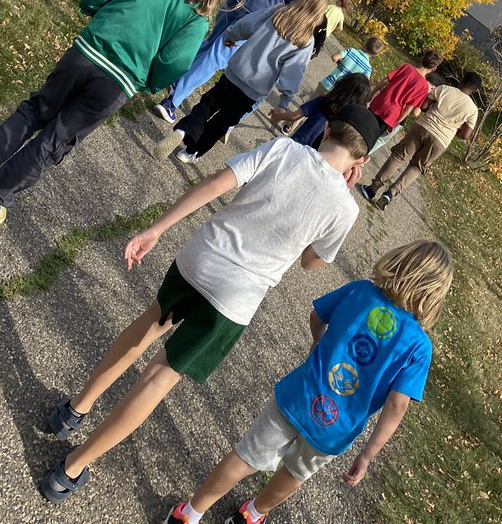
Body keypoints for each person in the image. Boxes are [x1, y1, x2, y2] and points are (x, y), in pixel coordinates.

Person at [37, 105, 383, 505]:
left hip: (201, 256)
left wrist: (156, 229)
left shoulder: (283, 149)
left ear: (325, 132)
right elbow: (311, 261)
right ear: (361, 162)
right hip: (235, 298)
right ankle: (70, 470)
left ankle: (72, 411)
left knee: (148, 322)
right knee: (160, 377)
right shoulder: (346, 208)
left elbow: (216, 185)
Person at [0, 0, 247, 226]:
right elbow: (175, 61)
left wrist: (91, 8)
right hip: (117, 81)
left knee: (35, 109)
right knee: (56, 140)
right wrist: (151, 80)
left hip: (85, 53)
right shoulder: (196, 18)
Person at [164, 239, 451, 524]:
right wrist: (366, 455)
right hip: (334, 429)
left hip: (298, 395)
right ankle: (252, 514)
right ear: (435, 294)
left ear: (399, 260)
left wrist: (317, 344)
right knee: (294, 474)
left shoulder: (361, 291)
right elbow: (397, 405)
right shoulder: (419, 347)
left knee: (247, 456)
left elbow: (317, 316)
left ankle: (190, 514)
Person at [155, 0, 327, 125]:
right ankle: (172, 100)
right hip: (257, 20)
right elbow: (294, 9)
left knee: (212, 43)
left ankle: (176, 75)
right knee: (217, 56)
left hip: (235, 2)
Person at [173, 0, 329, 162]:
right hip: (254, 89)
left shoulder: (278, 12)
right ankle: (191, 152)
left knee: (209, 102)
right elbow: (293, 72)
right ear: (318, 15)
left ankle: (187, 128)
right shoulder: (305, 41)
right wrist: (284, 102)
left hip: (237, 71)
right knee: (223, 122)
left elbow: (248, 24)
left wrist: (232, 35)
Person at [361, 72, 481, 210]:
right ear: (475, 91)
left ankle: (373, 188)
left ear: (461, 79)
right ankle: (390, 194)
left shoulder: (444, 89)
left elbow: (424, 105)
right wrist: (454, 129)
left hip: (423, 126)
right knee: (417, 167)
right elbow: (466, 135)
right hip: (441, 140)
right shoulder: (473, 110)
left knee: (399, 156)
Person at [269, 72, 371, 149]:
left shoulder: (323, 101)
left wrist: (278, 115)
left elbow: (294, 116)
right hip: (318, 154)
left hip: (298, 143)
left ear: (341, 85)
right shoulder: (347, 118)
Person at [367, 51, 441, 156]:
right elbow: (408, 109)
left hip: (380, 103)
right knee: (371, 138)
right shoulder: (424, 87)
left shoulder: (406, 67)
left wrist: (372, 92)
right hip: (391, 115)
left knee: (362, 126)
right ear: (434, 69)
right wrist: (396, 123)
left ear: (422, 58)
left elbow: (386, 80)